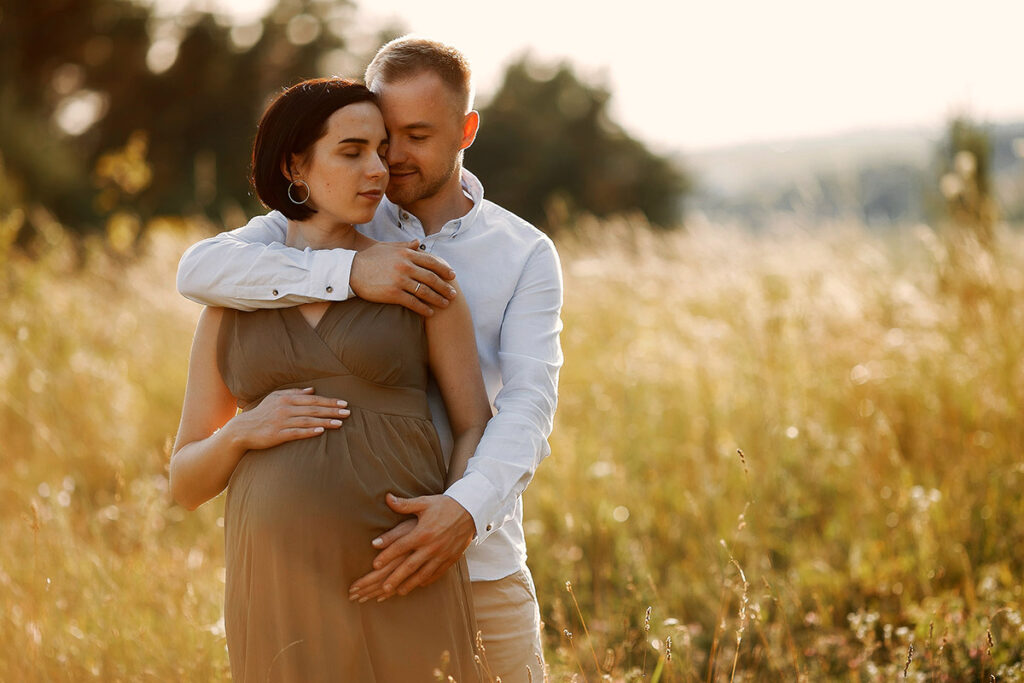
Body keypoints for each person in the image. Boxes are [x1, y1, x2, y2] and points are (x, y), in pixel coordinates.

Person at [177, 36, 564, 682]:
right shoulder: (343, 211)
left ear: (466, 128)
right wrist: (353, 272)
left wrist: (461, 511)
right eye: (382, 137)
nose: (392, 161)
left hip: (476, 555)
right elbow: (201, 269)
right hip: (307, 578)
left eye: (415, 135)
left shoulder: (523, 254)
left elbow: (524, 411)